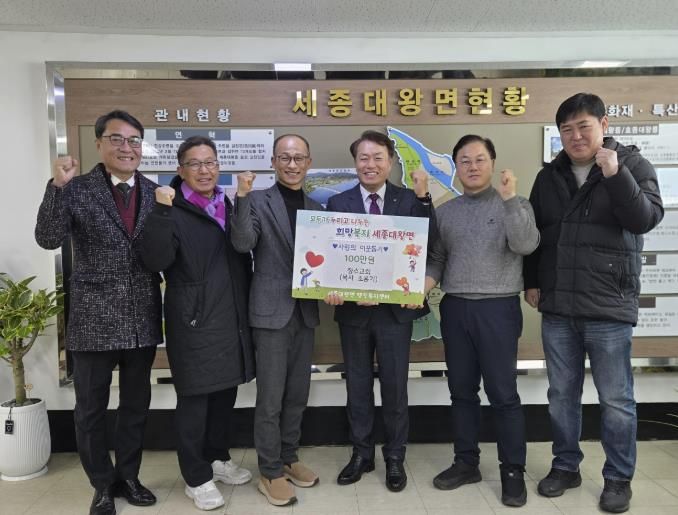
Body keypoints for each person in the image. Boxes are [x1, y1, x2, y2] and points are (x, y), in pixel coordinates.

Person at [523, 93, 664, 514]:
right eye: (567, 129)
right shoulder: (549, 177)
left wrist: (616, 175)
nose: (576, 136)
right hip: (559, 308)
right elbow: (535, 235)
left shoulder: (633, 166)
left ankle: (618, 478)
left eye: (583, 126)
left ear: (604, 125)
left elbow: (645, 219)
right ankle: (566, 466)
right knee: (561, 395)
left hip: (608, 306)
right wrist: (533, 282)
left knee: (616, 399)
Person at [35, 110, 162, 515]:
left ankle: (129, 477)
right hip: (93, 319)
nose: (127, 147)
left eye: (134, 140)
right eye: (117, 139)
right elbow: (47, 237)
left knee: (135, 406)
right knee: (90, 409)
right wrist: (56, 187)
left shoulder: (156, 192)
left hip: (141, 318)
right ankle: (102, 484)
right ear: (99, 143)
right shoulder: (75, 188)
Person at [138, 136, 254, 510]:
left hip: (231, 317)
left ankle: (217, 458)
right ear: (181, 169)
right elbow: (155, 260)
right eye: (195, 164)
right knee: (195, 400)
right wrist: (161, 212)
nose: (204, 171)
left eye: (210, 163)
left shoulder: (227, 204)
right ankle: (195, 476)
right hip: (193, 320)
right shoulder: (170, 207)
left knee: (224, 394)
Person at [424, 135, 539, 507]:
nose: (472, 167)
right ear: (455, 166)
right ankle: (466, 462)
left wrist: (509, 199)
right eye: (464, 160)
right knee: (461, 392)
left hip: (498, 309)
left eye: (479, 159)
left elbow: (526, 245)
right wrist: (420, 288)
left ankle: (512, 471)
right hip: (455, 308)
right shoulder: (445, 211)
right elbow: (437, 259)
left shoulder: (515, 203)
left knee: (503, 394)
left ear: (492, 162)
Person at [325, 130, 435, 493]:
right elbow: (330, 256)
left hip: (393, 315)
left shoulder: (411, 199)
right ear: (355, 163)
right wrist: (334, 289)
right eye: (363, 158)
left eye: (377, 158)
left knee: (395, 386)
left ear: (389, 162)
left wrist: (425, 198)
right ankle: (361, 454)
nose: (370, 164)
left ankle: (395, 456)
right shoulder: (338, 204)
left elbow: (429, 246)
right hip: (353, 314)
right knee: (357, 386)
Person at [230, 134, 322, 507]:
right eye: (285, 157)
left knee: (297, 394)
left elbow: (328, 260)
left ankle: (288, 457)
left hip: (306, 311)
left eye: (299, 157)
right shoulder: (257, 200)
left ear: (309, 162)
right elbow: (242, 243)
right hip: (270, 313)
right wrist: (241, 196)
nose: (292, 164)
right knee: (270, 398)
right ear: (273, 162)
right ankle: (269, 471)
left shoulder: (317, 207)